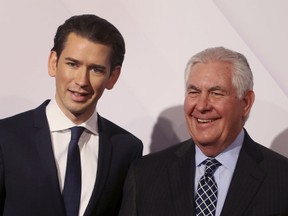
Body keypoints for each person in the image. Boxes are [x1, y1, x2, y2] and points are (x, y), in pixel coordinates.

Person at [0, 14, 143, 216]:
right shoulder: (6, 137)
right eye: (73, 64)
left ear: (113, 77)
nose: (82, 80)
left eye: (96, 69)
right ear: (53, 63)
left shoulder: (126, 148)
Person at [119, 47, 288, 216]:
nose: (201, 106)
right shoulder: (144, 174)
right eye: (194, 92)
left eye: (216, 93)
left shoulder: (282, 179)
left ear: (245, 102)